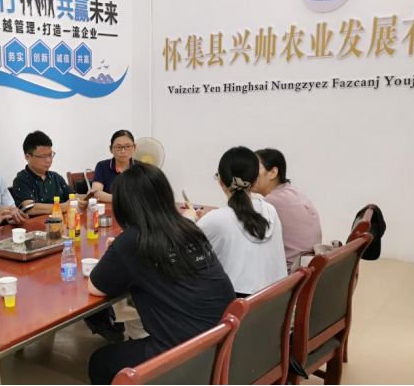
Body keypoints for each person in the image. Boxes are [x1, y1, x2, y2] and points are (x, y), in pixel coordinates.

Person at [87, 163, 235, 384]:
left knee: (100, 362)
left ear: (124, 205)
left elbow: (95, 287)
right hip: (223, 339)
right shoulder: (188, 227)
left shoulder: (132, 240)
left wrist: (118, 254)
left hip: (183, 353)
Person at [183, 146, 287, 297]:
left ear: (220, 179)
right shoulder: (270, 211)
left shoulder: (217, 219)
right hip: (275, 299)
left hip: (235, 303)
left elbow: (181, 247)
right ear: (255, 180)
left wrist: (189, 218)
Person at [254, 148, 322, 271]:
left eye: (254, 168)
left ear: (273, 172)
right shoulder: (294, 192)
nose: (249, 174)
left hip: (290, 275)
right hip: (308, 269)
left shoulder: (272, 202)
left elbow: (236, 223)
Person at [12, 130, 75, 216]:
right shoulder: (21, 180)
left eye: (50, 155)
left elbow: (73, 196)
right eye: (43, 156)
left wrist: (89, 196)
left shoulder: (56, 177)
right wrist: (62, 207)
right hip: (37, 224)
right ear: (28, 157)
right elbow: (30, 208)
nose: (48, 160)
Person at [83, 130, 137, 206]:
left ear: (134, 147)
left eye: (128, 146)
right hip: (108, 210)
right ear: (111, 149)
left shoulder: (141, 168)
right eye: (118, 147)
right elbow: (96, 193)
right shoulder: (102, 166)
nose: (123, 151)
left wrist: (110, 197)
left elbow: (141, 198)